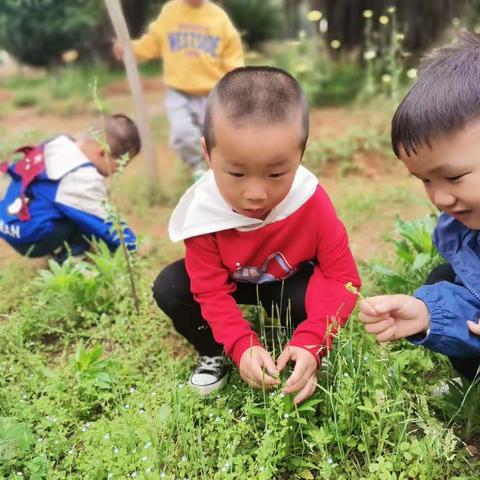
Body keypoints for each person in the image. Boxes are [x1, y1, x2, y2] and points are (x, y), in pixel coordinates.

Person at [152, 66, 361, 404]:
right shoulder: (204, 211)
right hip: (234, 282)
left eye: (277, 173)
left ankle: (294, 346)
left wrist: (313, 341)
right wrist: (241, 344)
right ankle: (213, 351)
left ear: (300, 155)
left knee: (305, 295)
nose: (255, 193)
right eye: (236, 172)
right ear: (207, 153)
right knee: (172, 287)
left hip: (285, 282)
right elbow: (210, 290)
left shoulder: (310, 201)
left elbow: (342, 277)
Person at [358, 33, 480, 382]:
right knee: (442, 281)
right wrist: (428, 314)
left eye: (453, 177)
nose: (440, 198)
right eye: (425, 180)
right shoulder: (465, 229)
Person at [113, 0, 244, 182]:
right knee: (182, 134)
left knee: (217, 138)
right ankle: (197, 168)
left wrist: (236, 81)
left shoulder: (218, 18)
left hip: (212, 93)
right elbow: (153, 42)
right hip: (179, 91)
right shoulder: (171, 12)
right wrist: (130, 49)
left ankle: (220, 172)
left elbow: (232, 55)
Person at [0, 114, 141, 263]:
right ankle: (70, 258)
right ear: (102, 153)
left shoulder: (59, 143)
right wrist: (132, 246)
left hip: (7, 218)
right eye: (121, 165)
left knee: (70, 206)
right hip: (28, 236)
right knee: (85, 217)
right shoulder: (80, 177)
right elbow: (105, 223)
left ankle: (59, 247)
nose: (119, 171)